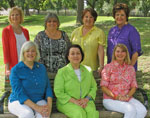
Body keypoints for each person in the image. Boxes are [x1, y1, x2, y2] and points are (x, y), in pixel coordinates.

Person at [100, 44, 147, 118]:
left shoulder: (130, 68)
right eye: (117, 51)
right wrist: (116, 97)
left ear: (126, 54)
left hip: (126, 98)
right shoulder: (108, 67)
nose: (120, 54)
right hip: (110, 99)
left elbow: (134, 86)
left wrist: (127, 96)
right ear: (114, 53)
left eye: (122, 51)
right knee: (130, 110)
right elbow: (103, 87)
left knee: (142, 111)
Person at [8, 41, 53, 118]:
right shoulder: (16, 70)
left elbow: (48, 88)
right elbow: (19, 94)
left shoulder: (41, 68)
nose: (30, 53)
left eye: (33, 51)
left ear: (36, 53)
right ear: (23, 53)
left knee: (44, 114)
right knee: (27, 114)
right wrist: (36, 107)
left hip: (38, 100)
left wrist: (49, 106)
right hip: (19, 101)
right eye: (27, 51)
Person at [54, 44, 99, 118]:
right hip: (67, 102)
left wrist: (86, 99)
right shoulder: (62, 72)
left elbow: (93, 87)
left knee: (92, 114)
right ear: (68, 57)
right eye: (72, 53)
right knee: (79, 113)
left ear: (81, 56)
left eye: (78, 53)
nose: (76, 56)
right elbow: (59, 92)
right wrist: (75, 101)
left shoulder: (88, 70)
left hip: (85, 101)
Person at [34, 13, 71, 79]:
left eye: (54, 21)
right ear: (46, 23)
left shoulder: (64, 35)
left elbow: (70, 51)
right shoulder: (40, 36)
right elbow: (35, 53)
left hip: (63, 72)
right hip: (45, 73)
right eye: (49, 21)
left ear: (58, 23)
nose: (52, 23)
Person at [107, 3, 142, 71]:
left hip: (126, 70)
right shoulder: (112, 31)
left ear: (126, 16)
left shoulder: (132, 30)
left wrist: (129, 69)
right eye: (117, 14)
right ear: (114, 16)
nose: (119, 17)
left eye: (122, 15)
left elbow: (136, 52)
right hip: (113, 70)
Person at [71, 8, 106, 74]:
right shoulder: (75, 32)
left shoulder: (99, 33)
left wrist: (101, 66)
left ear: (94, 19)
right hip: (75, 68)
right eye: (86, 17)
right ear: (82, 18)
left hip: (91, 69)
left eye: (91, 17)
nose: (88, 19)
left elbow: (100, 50)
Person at [2, 7, 30, 78]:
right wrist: (8, 69)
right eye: (12, 15)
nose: (15, 17)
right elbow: (6, 51)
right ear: (10, 17)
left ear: (21, 16)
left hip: (25, 64)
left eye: (17, 15)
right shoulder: (6, 31)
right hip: (13, 65)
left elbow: (29, 48)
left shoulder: (25, 31)